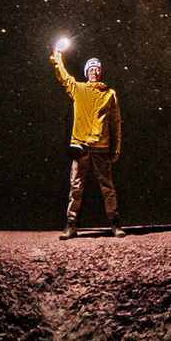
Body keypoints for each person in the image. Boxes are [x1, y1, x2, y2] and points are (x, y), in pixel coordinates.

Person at [49, 39, 123, 237]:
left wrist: (116, 148)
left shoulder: (110, 94)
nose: (94, 72)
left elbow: (115, 123)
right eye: (91, 69)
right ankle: (71, 224)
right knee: (76, 186)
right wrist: (57, 58)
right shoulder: (78, 89)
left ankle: (115, 224)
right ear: (86, 72)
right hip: (80, 145)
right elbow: (64, 77)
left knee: (107, 187)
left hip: (102, 146)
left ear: (101, 72)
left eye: (97, 69)